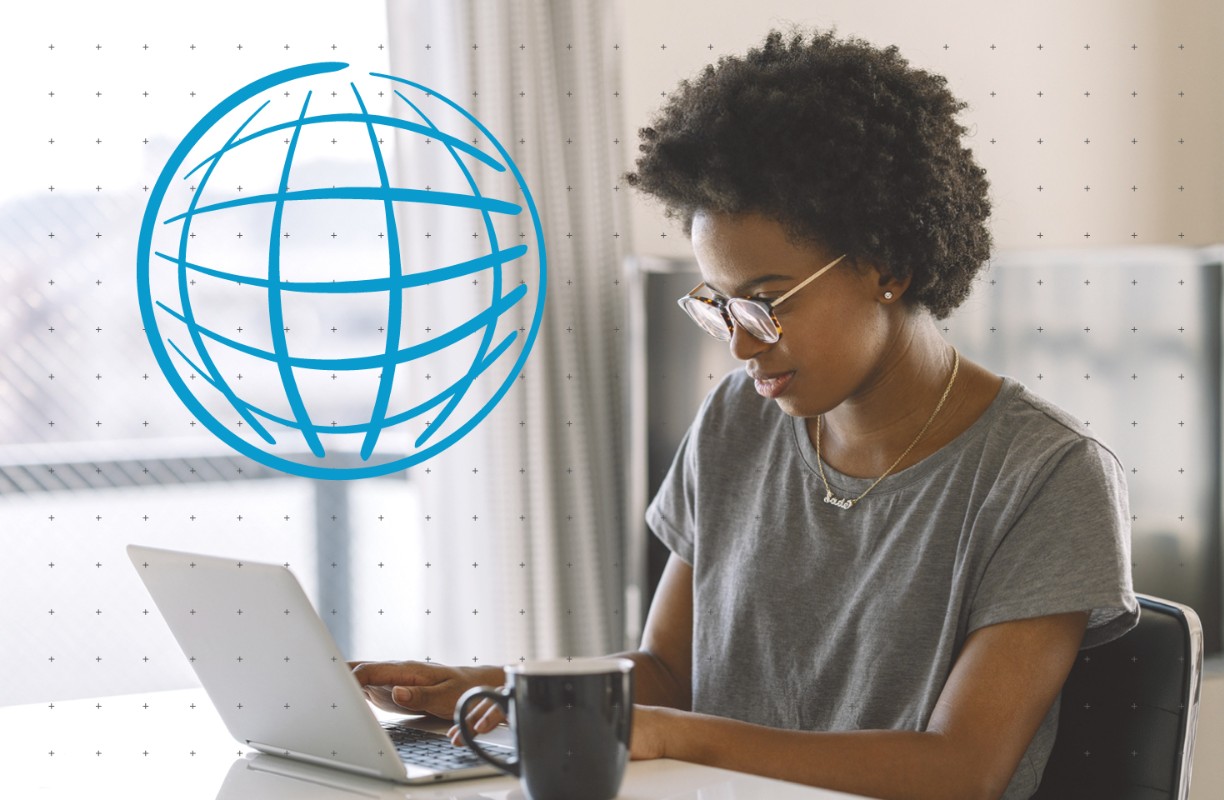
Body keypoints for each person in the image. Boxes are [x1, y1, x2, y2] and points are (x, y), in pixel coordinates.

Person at [353, 29, 1137, 800]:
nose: (738, 346)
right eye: (720, 307)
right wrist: (484, 687)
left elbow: (959, 772)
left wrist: (674, 734)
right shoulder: (739, 418)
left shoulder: (1047, 476)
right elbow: (667, 673)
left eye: (763, 304)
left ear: (888, 266)